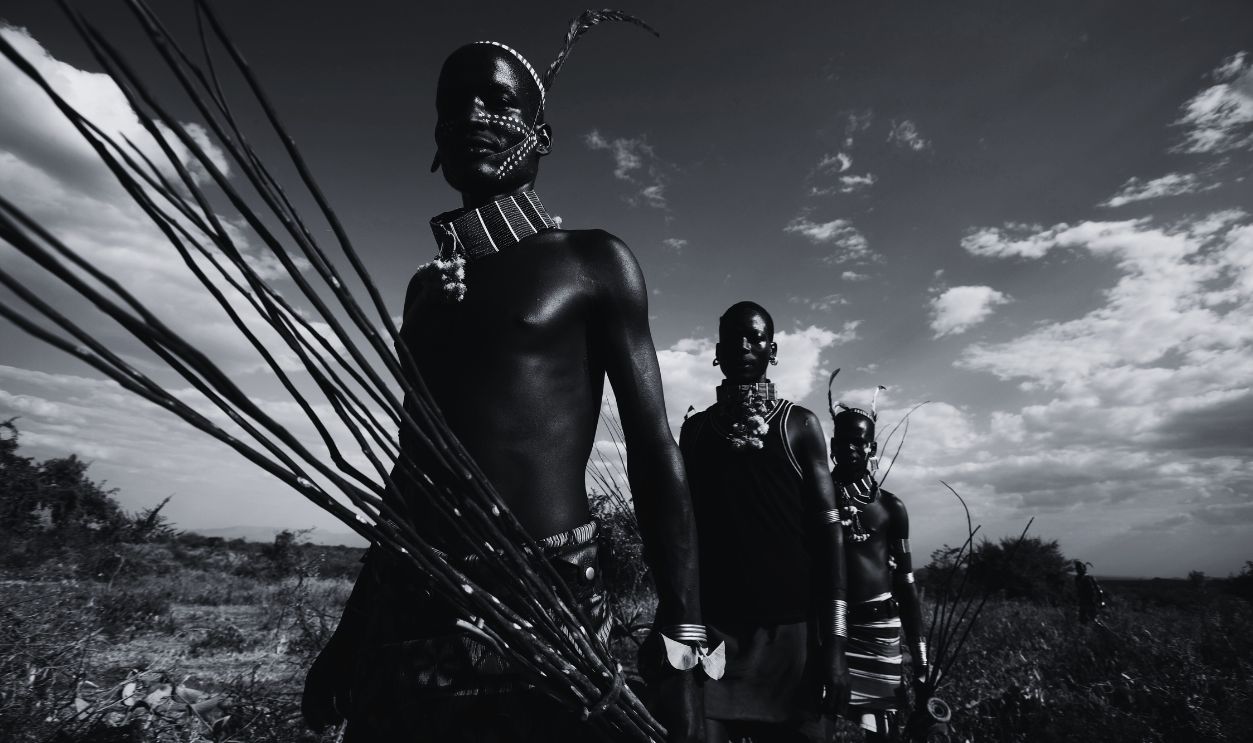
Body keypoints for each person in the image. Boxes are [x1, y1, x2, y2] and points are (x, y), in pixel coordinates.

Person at [302, 15, 705, 742]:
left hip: (552, 595)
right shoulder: (425, 291)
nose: (472, 117)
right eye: (452, 104)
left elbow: (653, 447)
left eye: (498, 102)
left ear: (540, 136)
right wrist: (348, 633)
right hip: (419, 594)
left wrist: (685, 622)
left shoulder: (592, 260)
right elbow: (410, 472)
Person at [679, 301, 850, 743]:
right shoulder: (697, 432)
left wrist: (834, 646)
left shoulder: (800, 426)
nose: (743, 347)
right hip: (714, 634)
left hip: (791, 638)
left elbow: (829, 536)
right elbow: (682, 535)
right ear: (716, 351)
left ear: (772, 350)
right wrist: (676, 624)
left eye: (755, 338)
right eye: (733, 338)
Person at [827, 380, 927, 741]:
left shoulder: (890, 507)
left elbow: (906, 582)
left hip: (879, 631)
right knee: (814, 723)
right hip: (826, 629)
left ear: (871, 447)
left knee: (883, 733)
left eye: (860, 441)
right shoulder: (814, 501)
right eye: (844, 440)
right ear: (833, 445)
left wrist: (920, 657)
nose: (852, 447)